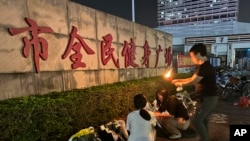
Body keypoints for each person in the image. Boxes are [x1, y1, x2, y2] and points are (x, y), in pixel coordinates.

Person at [172, 43, 218, 141]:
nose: (191, 58)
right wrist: (179, 81)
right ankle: (204, 139)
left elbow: (194, 81)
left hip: (209, 99)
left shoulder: (205, 66)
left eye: (192, 56)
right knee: (203, 120)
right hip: (205, 98)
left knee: (197, 121)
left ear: (198, 54)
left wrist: (181, 84)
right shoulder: (201, 66)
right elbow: (192, 78)